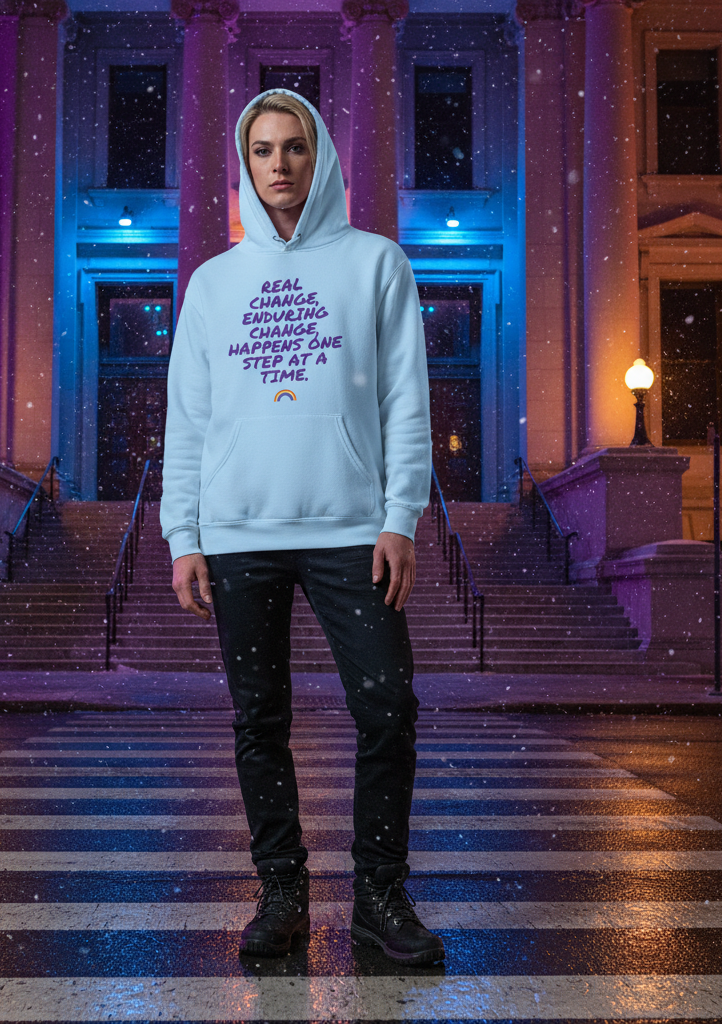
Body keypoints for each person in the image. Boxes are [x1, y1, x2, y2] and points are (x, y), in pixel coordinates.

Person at [160, 89, 442, 965]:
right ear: (244, 166)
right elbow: (188, 417)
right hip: (239, 533)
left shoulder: (376, 263)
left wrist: (401, 515)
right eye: (261, 150)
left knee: (387, 707)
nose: (278, 164)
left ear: (320, 157)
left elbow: (405, 398)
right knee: (259, 719)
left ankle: (379, 897)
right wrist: (183, 534)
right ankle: (281, 893)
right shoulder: (214, 283)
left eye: (293, 147)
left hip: (351, 528)